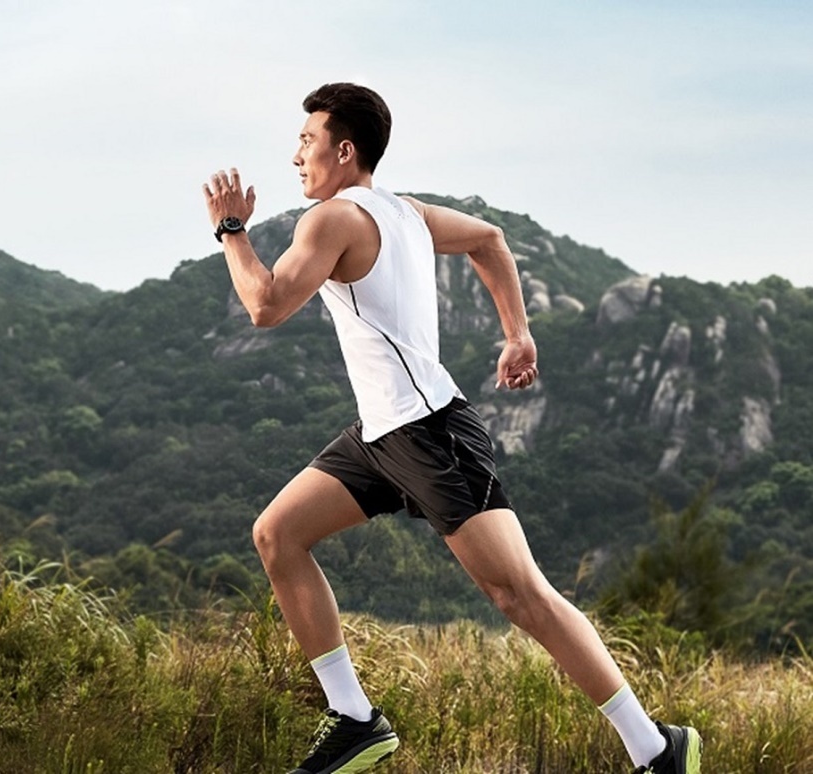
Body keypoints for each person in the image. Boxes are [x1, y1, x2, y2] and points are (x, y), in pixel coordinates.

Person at [202, 82, 702, 774]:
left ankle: (655, 749)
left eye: (307, 141)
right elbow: (490, 240)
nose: (296, 156)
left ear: (344, 151)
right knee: (277, 535)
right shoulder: (406, 213)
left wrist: (231, 230)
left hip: (430, 435)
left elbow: (265, 305)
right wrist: (517, 334)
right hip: (380, 436)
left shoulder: (332, 220)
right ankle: (355, 720)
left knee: (519, 594)